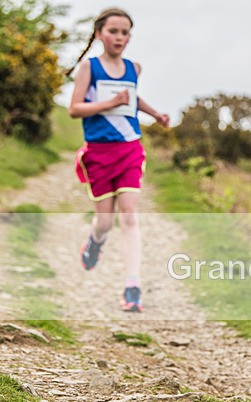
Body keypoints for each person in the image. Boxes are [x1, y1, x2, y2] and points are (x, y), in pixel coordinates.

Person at [66, 8, 169, 312]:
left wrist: (156, 114)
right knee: (105, 222)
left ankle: (132, 286)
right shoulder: (90, 68)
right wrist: (109, 103)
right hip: (98, 152)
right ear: (99, 34)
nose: (120, 38)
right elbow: (74, 108)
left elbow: (134, 98)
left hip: (129, 149)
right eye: (113, 31)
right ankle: (95, 241)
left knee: (129, 215)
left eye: (125, 32)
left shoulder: (133, 68)